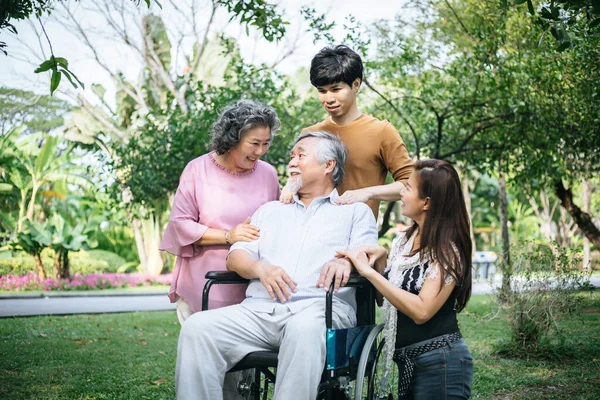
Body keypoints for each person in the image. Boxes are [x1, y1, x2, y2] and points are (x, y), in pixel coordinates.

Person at [175, 131, 378, 400]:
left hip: (320, 310)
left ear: (328, 165)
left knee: (302, 328)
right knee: (197, 328)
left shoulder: (354, 212)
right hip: (260, 311)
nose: (292, 162)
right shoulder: (269, 211)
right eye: (291, 156)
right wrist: (260, 268)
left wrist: (347, 260)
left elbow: (367, 252)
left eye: (301, 155)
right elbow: (235, 257)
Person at [337, 159, 474, 399]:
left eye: (408, 188)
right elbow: (387, 302)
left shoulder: (447, 252)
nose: (401, 191)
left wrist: (369, 273)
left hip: (441, 364)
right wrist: (380, 263)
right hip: (409, 362)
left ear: (427, 203)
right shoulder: (404, 241)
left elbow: (422, 311)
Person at [160, 99, 281, 324]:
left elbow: (279, 223)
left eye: (266, 143)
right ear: (232, 138)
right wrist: (228, 235)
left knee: (253, 357)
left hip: (254, 288)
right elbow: (180, 224)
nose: (260, 151)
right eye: (254, 143)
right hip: (206, 283)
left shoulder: (268, 174)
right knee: (206, 353)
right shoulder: (197, 170)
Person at [281, 45, 414, 219]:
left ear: (356, 84)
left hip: (358, 235)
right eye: (322, 91)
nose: (328, 98)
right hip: (311, 230)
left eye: (336, 89)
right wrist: (289, 187)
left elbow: (411, 185)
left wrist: (367, 193)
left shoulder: (381, 131)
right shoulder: (310, 134)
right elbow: (297, 179)